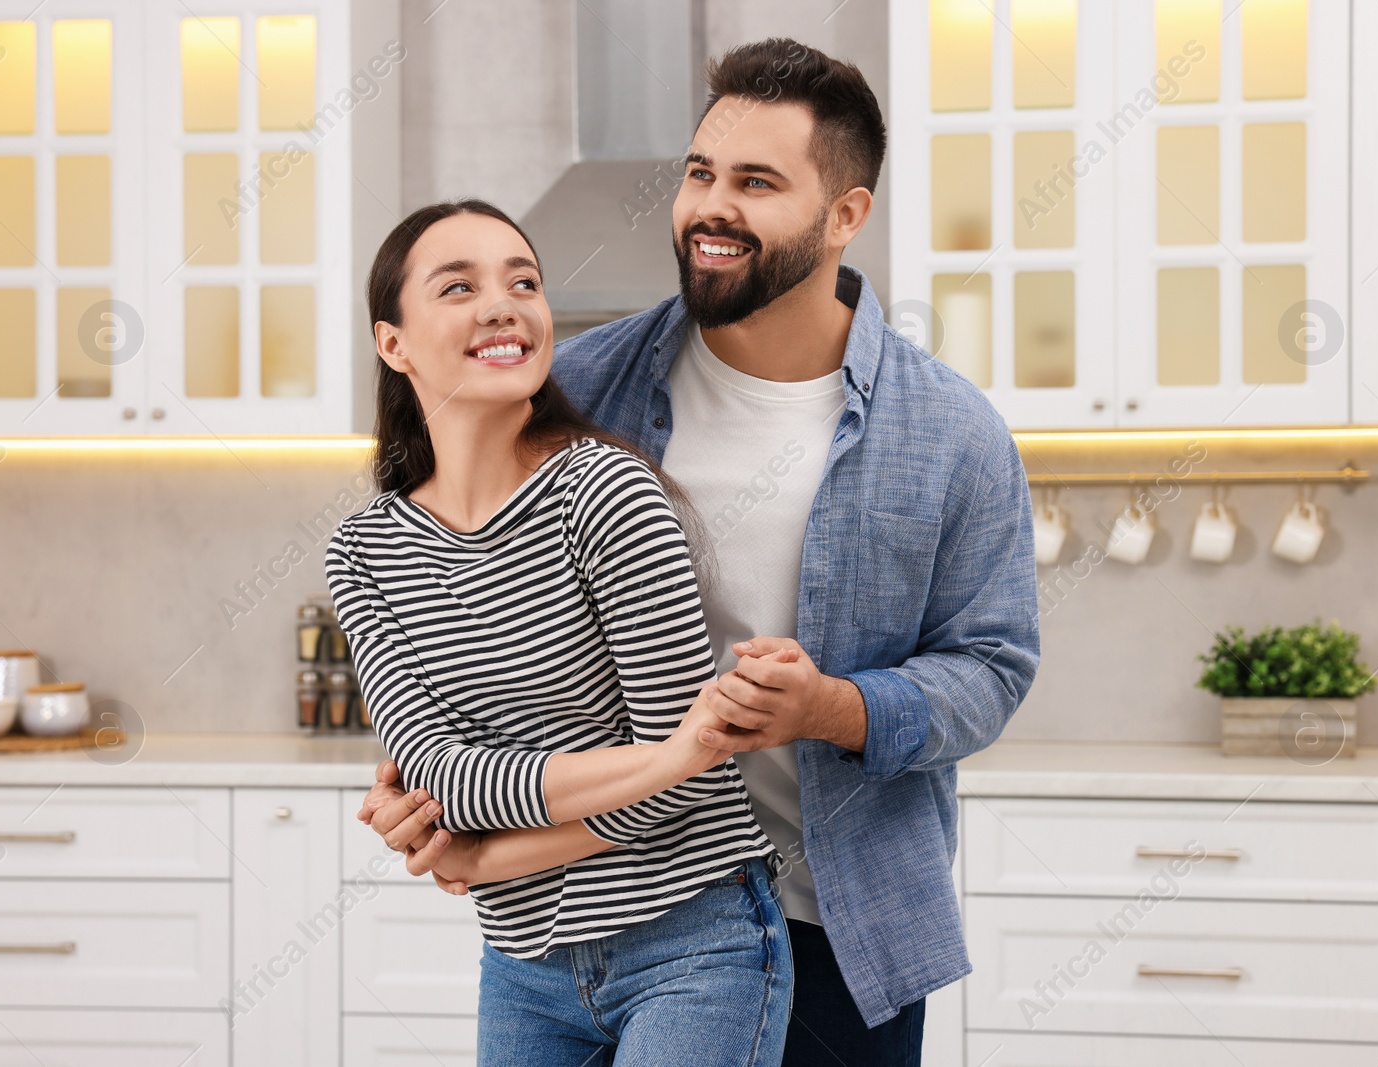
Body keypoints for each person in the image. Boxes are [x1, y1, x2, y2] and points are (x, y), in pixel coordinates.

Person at [359, 38, 1041, 1066]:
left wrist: (830, 707)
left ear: (844, 215)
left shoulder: (949, 432)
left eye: (756, 182)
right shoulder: (578, 389)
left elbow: (990, 667)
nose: (710, 207)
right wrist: (423, 777)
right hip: (604, 907)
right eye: (698, 173)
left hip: (836, 926)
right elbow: (460, 588)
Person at [325, 198, 794, 1066]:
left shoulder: (605, 494)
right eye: (458, 286)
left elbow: (684, 794)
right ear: (393, 343)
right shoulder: (365, 552)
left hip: (693, 937)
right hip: (525, 965)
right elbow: (436, 776)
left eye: (524, 281)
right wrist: (669, 755)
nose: (503, 304)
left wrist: (487, 860)